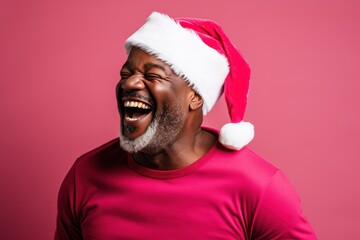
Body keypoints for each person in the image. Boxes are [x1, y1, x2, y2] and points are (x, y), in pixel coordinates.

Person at [55, 12, 317, 239]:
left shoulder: (259, 187)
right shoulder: (85, 175)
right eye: (126, 74)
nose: (129, 84)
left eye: (152, 75)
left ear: (195, 96)